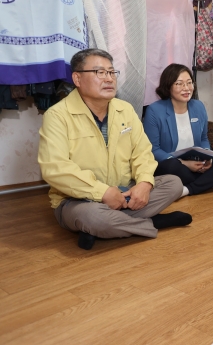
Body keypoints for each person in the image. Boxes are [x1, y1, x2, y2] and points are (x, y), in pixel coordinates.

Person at [38, 49, 192, 251]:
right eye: (100, 72)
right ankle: (151, 222)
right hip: (79, 200)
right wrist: (102, 193)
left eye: (112, 72)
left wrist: (144, 183)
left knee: (173, 182)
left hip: (124, 192)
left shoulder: (125, 109)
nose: (109, 78)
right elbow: (55, 168)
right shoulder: (57, 116)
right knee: (92, 216)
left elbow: (143, 152)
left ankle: (105, 226)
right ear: (77, 78)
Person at [143, 63, 213, 197]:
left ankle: (187, 189)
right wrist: (184, 163)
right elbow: (153, 149)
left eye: (189, 83)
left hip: (195, 160)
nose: (186, 88)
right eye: (179, 84)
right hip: (171, 163)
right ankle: (209, 182)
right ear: (168, 86)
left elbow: (204, 139)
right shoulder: (154, 110)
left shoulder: (198, 106)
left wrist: (206, 158)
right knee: (172, 167)